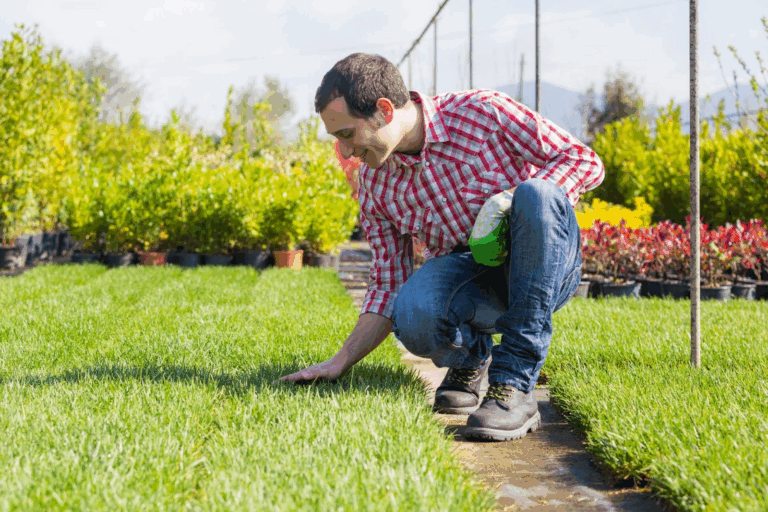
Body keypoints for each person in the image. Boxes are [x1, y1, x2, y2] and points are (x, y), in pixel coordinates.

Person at [279, 53, 604, 442]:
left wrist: (512, 200)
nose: (346, 153)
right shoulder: (376, 184)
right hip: (478, 277)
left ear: (384, 110)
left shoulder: (483, 112)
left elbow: (581, 159)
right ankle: (471, 357)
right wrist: (341, 360)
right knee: (413, 313)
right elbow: (387, 284)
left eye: (347, 134)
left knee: (537, 194)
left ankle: (514, 386)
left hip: (547, 265)